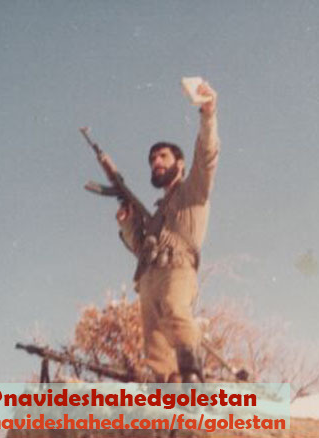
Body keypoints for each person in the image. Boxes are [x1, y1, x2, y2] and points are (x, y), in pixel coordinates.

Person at [112, 81, 219, 383]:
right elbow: (140, 248)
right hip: (149, 277)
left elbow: (207, 157)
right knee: (155, 347)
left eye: (162, 156)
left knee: (175, 310)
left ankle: (193, 379)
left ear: (180, 164)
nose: (155, 162)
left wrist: (208, 115)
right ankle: (169, 392)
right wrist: (127, 223)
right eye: (152, 160)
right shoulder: (157, 213)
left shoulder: (193, 191)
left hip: (178, 269)